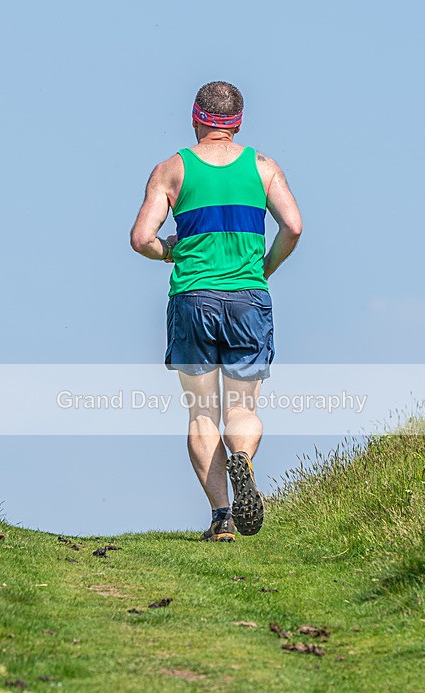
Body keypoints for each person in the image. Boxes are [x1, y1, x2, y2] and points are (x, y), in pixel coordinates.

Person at [130, 81, 302, 542]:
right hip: (247, 297)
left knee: (202, 412)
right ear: (238, 122)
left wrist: (169, 252)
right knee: (242, 409)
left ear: (195, 117)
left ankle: (222, 517)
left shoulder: (171, 169)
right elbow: (293, 226)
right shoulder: (263, 168)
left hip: (193, 300)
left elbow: (142, 238)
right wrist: (265, 267)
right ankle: (241, 457)